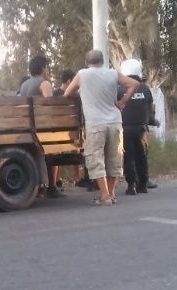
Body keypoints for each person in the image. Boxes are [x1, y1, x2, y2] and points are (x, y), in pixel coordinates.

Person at [64, 50, 140, 205]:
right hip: (115, 122)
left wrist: (82, 93)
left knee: (96, 159)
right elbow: (135, 84)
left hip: (95, 124)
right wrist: (123, 101)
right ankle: (110, 194)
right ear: (102, 61)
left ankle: (105, 196)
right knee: (114, 159)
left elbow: (67, 93)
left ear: (86, 62)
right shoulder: (113, 74)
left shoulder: (82, 74)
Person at [18, 56, 65, 198]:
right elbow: (49, 106)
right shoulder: (44, 83)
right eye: (47, 67)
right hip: (40, 125)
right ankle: (52, 186)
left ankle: (40, 186)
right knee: (54, 148)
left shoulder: (24, 85)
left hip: (26, 125)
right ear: (43, 68)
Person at [117, 58, 153, 195]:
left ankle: (131, 185)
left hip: (125, 129)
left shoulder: (119, 90)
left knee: (129, 157)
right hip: (141, 129)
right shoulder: (145, 89)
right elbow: (150, 110)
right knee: (141, 156)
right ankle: (143, 185)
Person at [54, 70, 92, 189]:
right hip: (71, 132)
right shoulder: (74, 96)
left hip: (60, 131)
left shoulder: (55, 94)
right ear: (70, 81)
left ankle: (60, 180)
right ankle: (82, 178)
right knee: (84, 144)